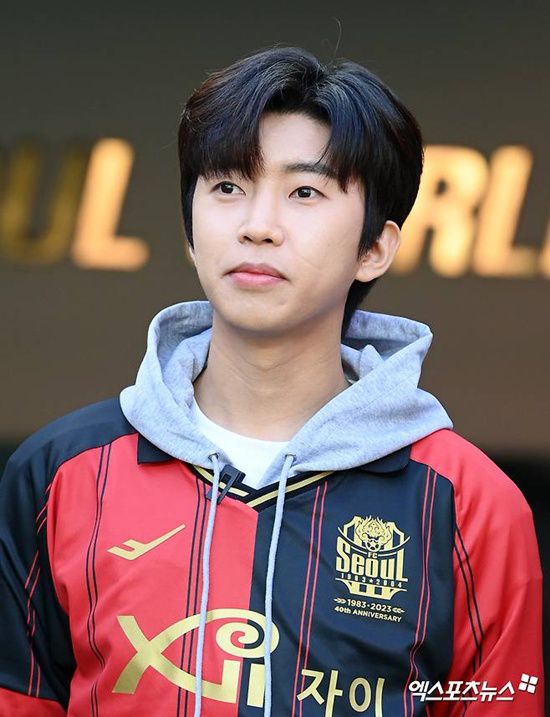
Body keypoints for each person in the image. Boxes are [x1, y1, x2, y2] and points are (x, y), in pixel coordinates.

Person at [0, 46, 543, 717]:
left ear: (375, 247)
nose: (257, 226)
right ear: (190, 230)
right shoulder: (60, 475)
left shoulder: (470, 506)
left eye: (304, 193)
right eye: (228, 187)